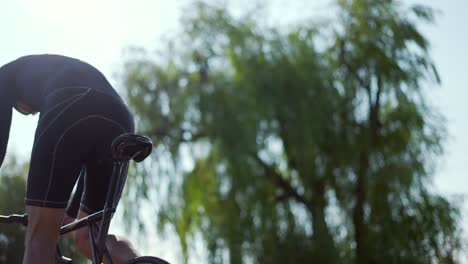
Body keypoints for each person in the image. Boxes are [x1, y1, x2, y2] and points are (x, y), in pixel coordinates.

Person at [0, 54, 141, 263]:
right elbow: (86, 145)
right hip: (120, 117)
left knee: (40, 237)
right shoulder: (51, 69)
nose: (28, 113)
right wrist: (71, 212)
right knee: (89, 237)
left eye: (22, 111)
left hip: (70, 102)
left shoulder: (4, 77)